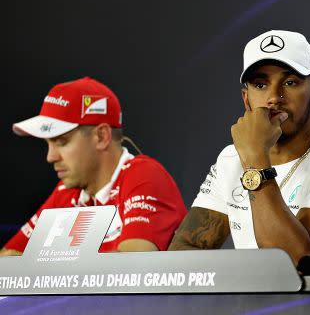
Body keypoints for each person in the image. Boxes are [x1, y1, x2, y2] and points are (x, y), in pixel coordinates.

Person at [169, 30, 310, 275]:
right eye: (260, 84)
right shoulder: (230, 159)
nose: (273, 98)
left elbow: (297, 263)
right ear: (246, 99)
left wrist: (255, 156)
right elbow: (184, 251)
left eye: (290, 83)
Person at [0, 77, 187, 254]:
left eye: (62, 142)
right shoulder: (68, 191)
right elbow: (8, 259)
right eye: (47, 143)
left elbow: (133, 269)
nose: (50, 157)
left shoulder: (144, 175)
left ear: (101, 136)